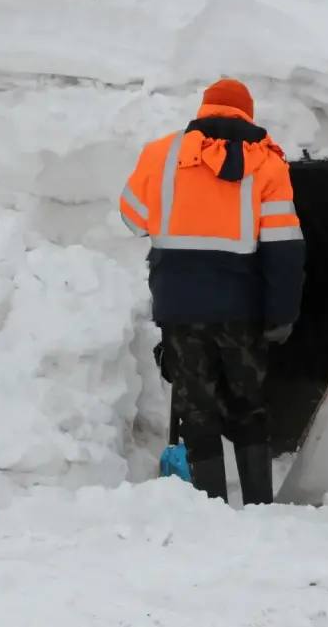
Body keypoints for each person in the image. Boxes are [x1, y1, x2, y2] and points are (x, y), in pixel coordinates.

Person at [119, 78, 305, 504]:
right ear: (247, 114)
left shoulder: (161, 154)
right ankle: (259, 502)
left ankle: (211, 506)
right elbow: (285, 249)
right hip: (242, 309)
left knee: (196, 406)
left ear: (204, 109)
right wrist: (281, 315)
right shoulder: (267, 165)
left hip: (179, 304)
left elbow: (132, 217)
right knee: (248, 404)